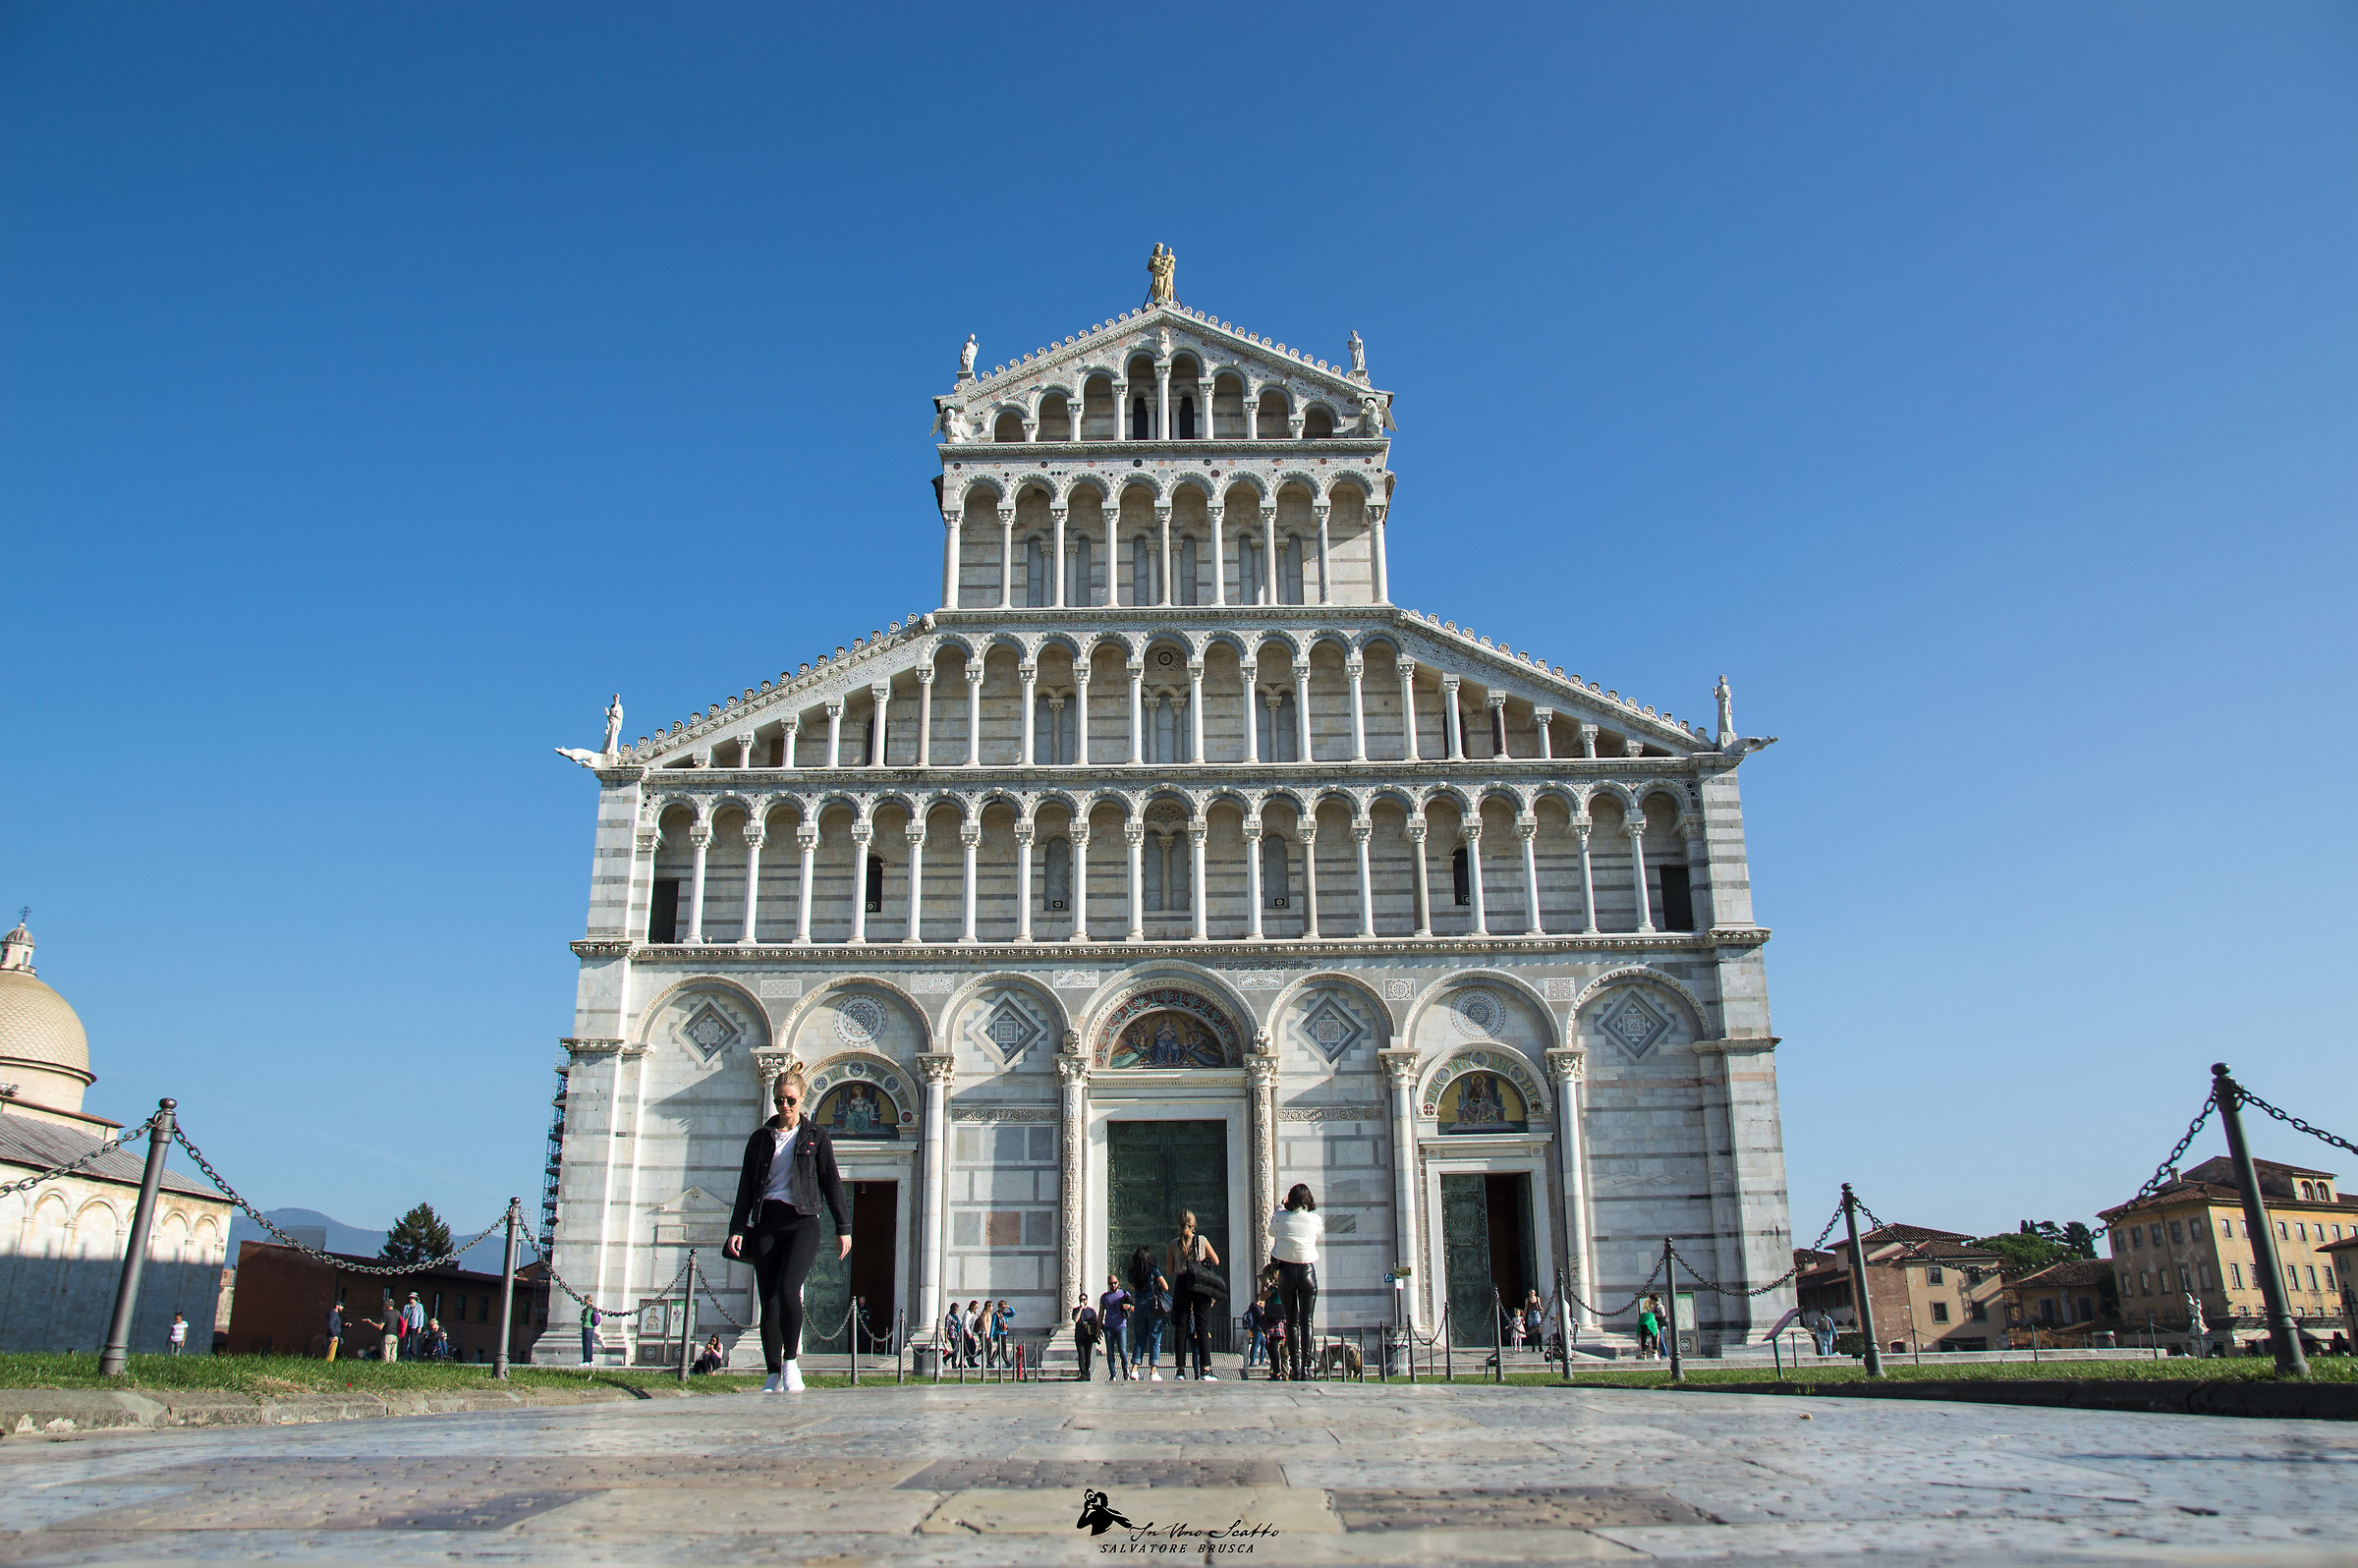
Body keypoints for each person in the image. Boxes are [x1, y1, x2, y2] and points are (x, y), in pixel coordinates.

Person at [725, 1067, 852, 1395]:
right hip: (767, 1219)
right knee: (768, 1299)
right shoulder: (760, 1139)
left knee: (787, 1289)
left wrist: (843, 1227)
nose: (784, 1106)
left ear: (802, 1098)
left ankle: (791, 1363)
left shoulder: (816, 1136)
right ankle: (772, 1373)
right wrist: (738, 1227)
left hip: (803, 1221)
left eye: (790, 1100)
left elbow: (831, 1182)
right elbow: (745, 1186)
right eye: (779, 1100)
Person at [1270, 1184, 1322, 1381]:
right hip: (1307, 1272)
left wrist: (1280, 1207)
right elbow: (1318, 1233)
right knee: (1306, 1320)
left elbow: (1271, 1232)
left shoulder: (1282, 1216)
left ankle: (1293, 1368)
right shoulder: (1314, 1219)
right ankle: (1306, 1368)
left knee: (1291, 1322)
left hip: (1285, 1273)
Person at [1165, 1211, 1223, 1380]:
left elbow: (1169, 1271)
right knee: (1202, 1328)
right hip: (1200, 1284)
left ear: (1178, 1225)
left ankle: (1180, 1370)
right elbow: (1216, 1261)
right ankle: (1205, 1370)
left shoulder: (1172, 1244)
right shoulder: (1202, 1240)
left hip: (1182, 1284)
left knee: (1181, 1328)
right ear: (1193, 1225)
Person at [1125, 1246, 1160, 1379]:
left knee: (1139, 1338)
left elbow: (1131, 1286)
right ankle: (1153, 1371)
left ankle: (1134, 1369)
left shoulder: (1131, 1273)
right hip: (1152, 1305)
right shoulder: (1153, 1271)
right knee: (1155, 1337)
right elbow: (1165, 1286)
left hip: (1139, 1304)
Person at [1098, 1275, 1133, 1381]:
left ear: (1118, 1282)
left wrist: (1128, 1307)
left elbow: (1133, 1307)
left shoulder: (1124, 1294)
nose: (1113, 1285)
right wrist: (1098, 1328)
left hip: (1121, 1326)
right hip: (1109, 1326)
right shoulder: (1105, 1297)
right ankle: (1113, 1374)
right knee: (1110, 1351)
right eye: (1111, 1284)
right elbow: (1100, 1313)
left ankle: (1125, 1369)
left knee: (1122, 1350)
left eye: (1115, 1283)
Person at [1072, 1294, 1101, 1380]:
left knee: (1088, 1356)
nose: (1083, 1301)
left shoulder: (1091, 1311)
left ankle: (1087, 1372)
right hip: (1079, 1336)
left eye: (1084, 1299)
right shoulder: (1076, 1310)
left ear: (1087, 1300)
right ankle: (1083, 1373)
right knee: (1081, 1355)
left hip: (1088, 1336)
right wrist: (1081, 1309)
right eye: (1081, 1299)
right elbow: (1076, 1319)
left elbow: (1095, 1321)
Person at [1243, 1296, 1265, 1371]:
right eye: (1263, 1301)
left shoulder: (1253, 1307)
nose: (1264, 1303)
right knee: (1256, 1344)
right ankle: (1252, 1361)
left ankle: (1261, 1360)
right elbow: (1261, 1317)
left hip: (1256, 1328)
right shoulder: (1257, 1308)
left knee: (1263, 1342)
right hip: (1258, 1328)